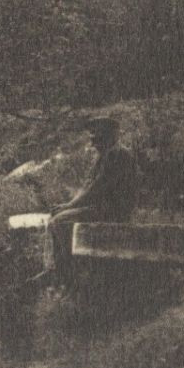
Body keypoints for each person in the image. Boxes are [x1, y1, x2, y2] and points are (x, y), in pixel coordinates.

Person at [46, 117, 139, 282]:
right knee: (57, 217)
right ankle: (58, 267)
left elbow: (95, 189)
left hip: (114, 211)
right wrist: (67, 205)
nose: (94, 143)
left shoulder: (118, 156)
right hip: (100, 208)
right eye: (93, 138)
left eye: (98, 138)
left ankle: (70, 272)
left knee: (60, 221)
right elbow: (86, 187)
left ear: (111, 136)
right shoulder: (104, 156)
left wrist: (68, 207)